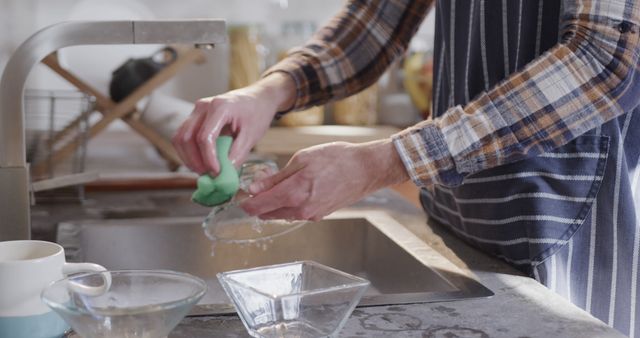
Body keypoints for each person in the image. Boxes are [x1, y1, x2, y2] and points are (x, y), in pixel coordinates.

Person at [174, 0, 640, 335]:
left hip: (566, 219)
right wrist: (271, 91)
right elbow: (378, 20)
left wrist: (384, 161)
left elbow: (607, 58)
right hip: (457, 213)